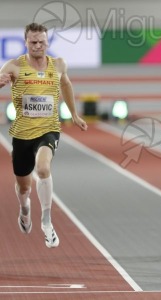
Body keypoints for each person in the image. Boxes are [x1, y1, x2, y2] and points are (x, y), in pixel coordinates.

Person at [0, 23, 88, 248]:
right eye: (33, 42)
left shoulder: (58, 64)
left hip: (49, 129)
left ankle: (47, 222)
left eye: (41, 42)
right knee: (24, 187)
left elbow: (66, 85)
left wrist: (75, 115)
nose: (38, 46)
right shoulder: (14, 66)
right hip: (22, 133)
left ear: (48, 42)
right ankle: (24, 208)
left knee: (43, 168)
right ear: (26, 42)